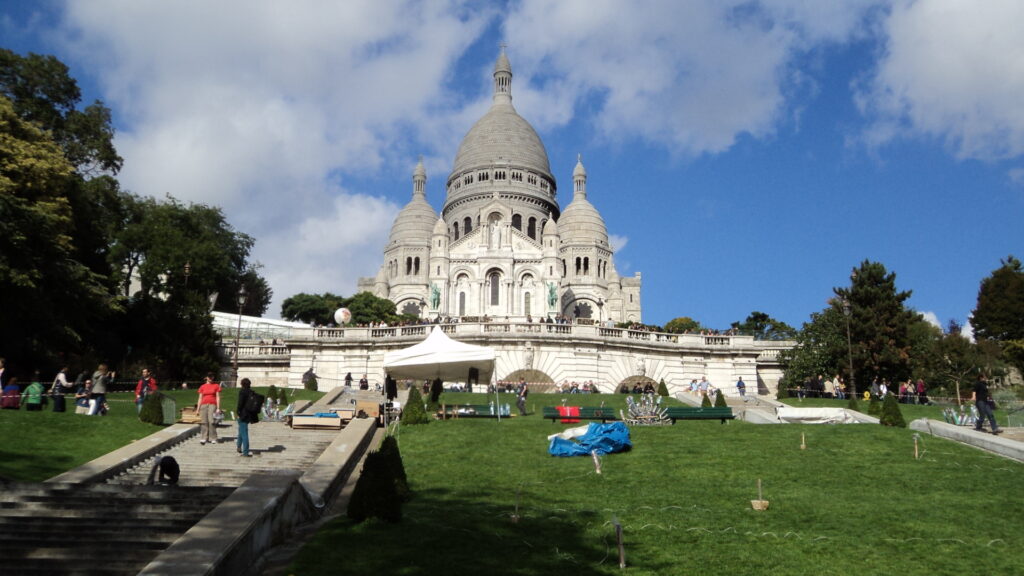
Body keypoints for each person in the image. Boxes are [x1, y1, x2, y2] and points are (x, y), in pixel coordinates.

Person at [196, 373, 222, 444]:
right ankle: (204, 437)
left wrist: (218, 408)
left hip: (212, 404)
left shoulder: (216, 386)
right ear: (206, 378)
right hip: (203, 405)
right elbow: (200, 398)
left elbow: (218, 397)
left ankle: (213, 437)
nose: (210, 378)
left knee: (211, 421)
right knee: (204, 422)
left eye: (212, 376)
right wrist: (198, 409)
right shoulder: (202, 386)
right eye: (209, 377)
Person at [236, 377, 258, 457]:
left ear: (242, 384)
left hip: (243, 414)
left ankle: (245, 452)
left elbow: (240, 403)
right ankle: (238, 446)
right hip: (249, 414)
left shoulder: (242, 392)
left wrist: (238, 412)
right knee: (241, 431)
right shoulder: (252, 392)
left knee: (244, 432)